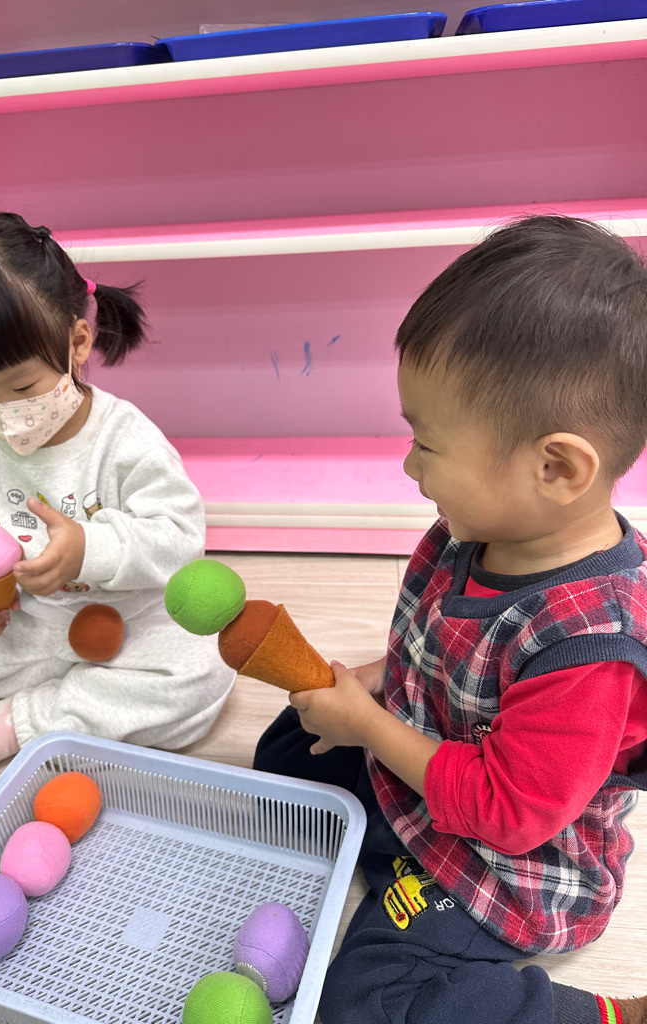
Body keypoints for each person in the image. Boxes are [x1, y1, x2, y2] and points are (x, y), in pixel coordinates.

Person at [254, 215, 647, 1024]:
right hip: (432, 765)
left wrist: (368, 725)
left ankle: (607, 1015)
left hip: (511, 863)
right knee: (287, 748)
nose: (409, 466)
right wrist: (376, 684)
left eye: (427, 446)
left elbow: (509, 812)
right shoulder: (483, 528)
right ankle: (377, 850)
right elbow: (437, 648)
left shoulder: (588, 649)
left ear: (555, 467)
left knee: (366, 998)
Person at [0, 211, 235, 788]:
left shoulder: (126, 439)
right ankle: (60, 699)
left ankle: (28, 724)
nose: (3, 413)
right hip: (16, 630)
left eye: (21, 386)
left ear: (77, 342)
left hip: (124, 627)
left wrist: (91, 549)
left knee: (206, 665)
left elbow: (179, 538)